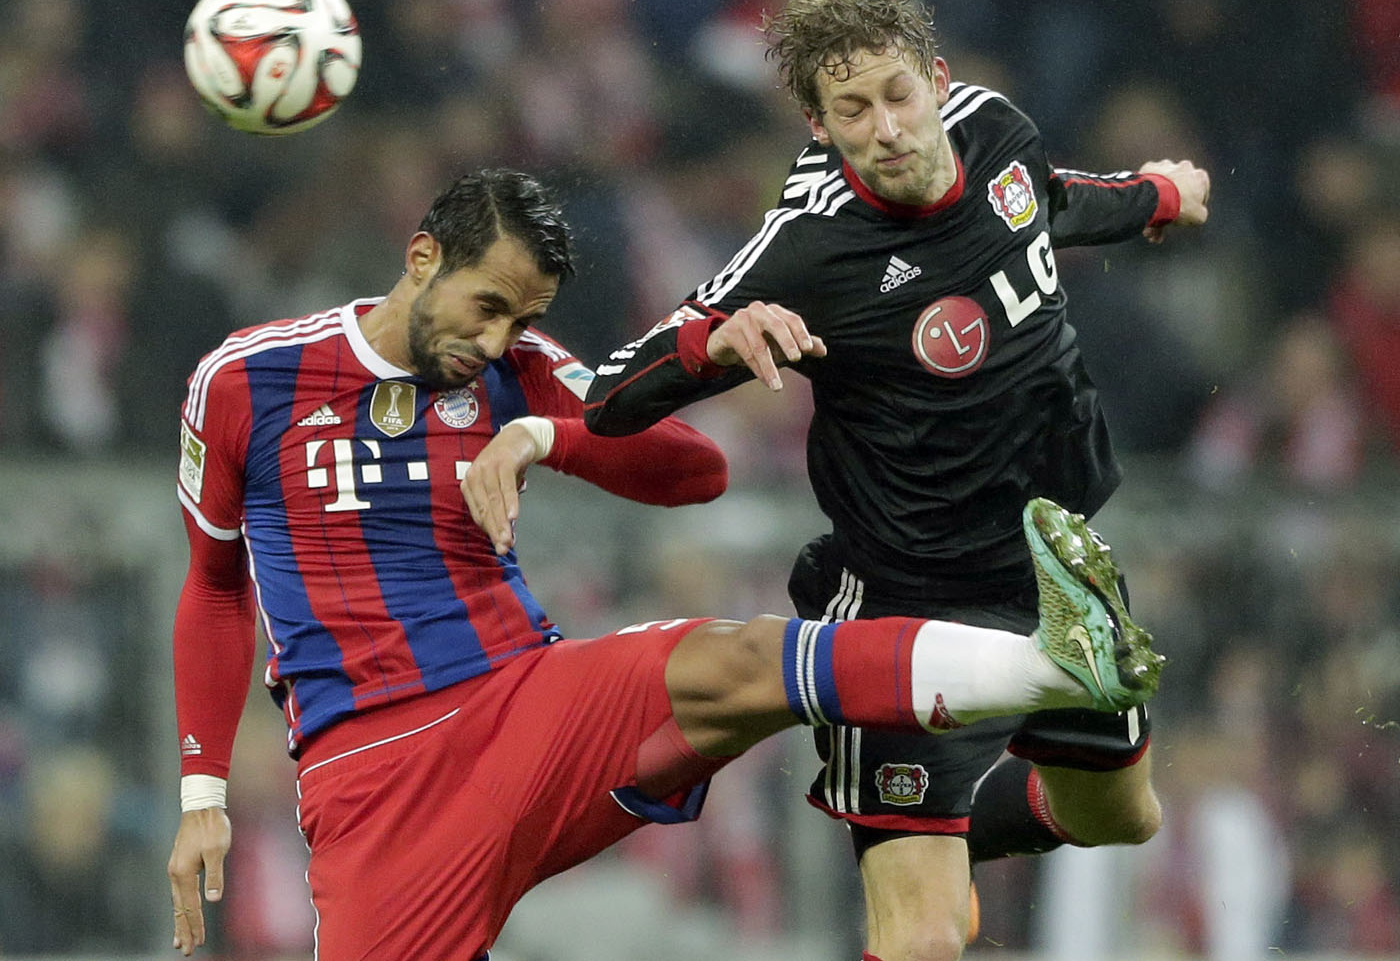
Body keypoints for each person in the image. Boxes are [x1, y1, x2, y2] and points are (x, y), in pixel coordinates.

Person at [165, 167, 1160, 961]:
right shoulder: (246, 379)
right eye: (485, 307)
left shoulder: (518, 371)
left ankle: (1059, 659)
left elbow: (697, 470)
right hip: (371, 773)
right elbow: (213, 589)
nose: (496, 337)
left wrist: (566, 428)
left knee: (743, 659)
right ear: (421, 255)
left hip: (526, 702)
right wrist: (202, 794)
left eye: (521, 317)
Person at [584, 0, 1209, 960]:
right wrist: (715, 341)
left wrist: (1151, 197)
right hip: (900, 607)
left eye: (896, 94)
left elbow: (1042, 201)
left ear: (936, 79)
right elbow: (608, 395)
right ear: (817, 124)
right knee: (918, 941)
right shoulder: (804, 250)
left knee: (1118, 815)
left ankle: (946, 834)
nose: (884, 127)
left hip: (1057, 578)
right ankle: (915, 846)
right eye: (850, 109)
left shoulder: (996, 129)